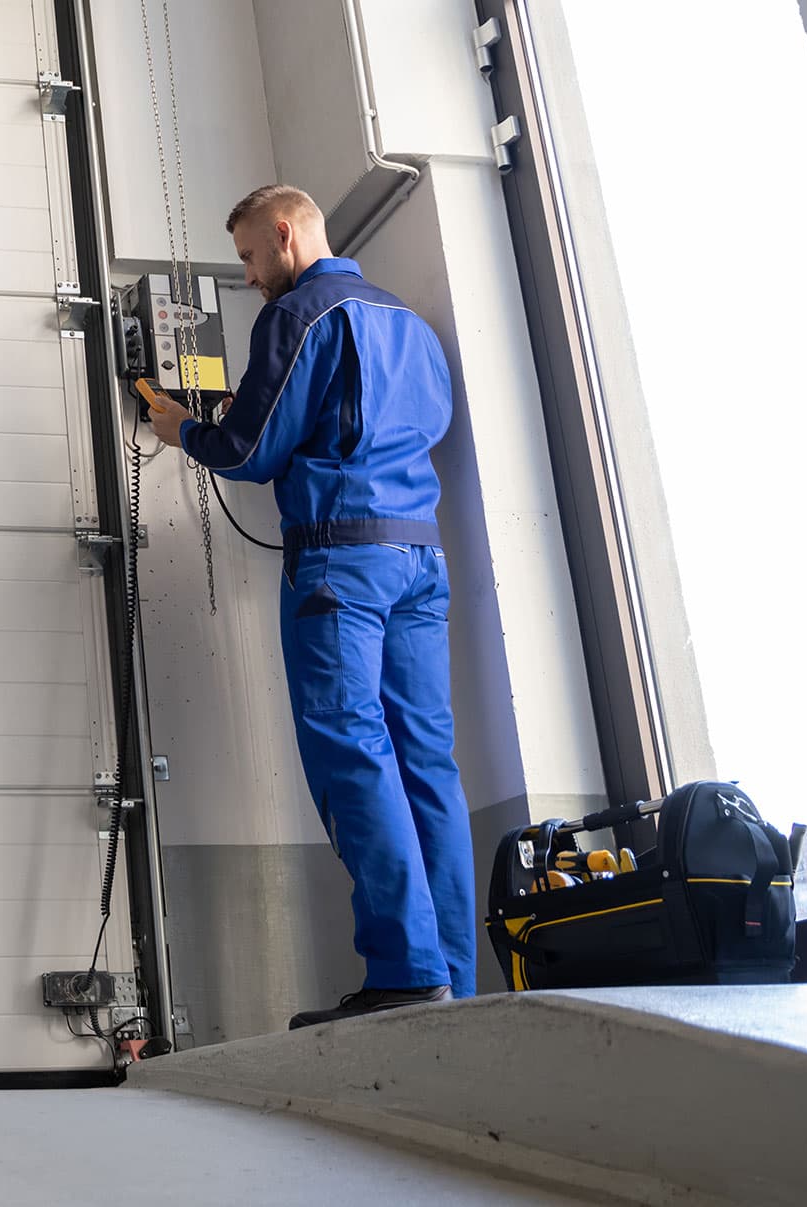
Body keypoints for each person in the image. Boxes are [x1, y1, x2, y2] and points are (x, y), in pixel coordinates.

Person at [145, 184, 474, 1028]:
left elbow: (249, 449)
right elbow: (423, 423)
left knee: (352, 753)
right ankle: (454, 987)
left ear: (286, 234)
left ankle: (406, 973)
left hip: (341, 567)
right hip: (421, 558)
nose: (251, 276)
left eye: (252, 256)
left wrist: (181, 425)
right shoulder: (411, 325)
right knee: (425, 764)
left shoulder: (301, 316)